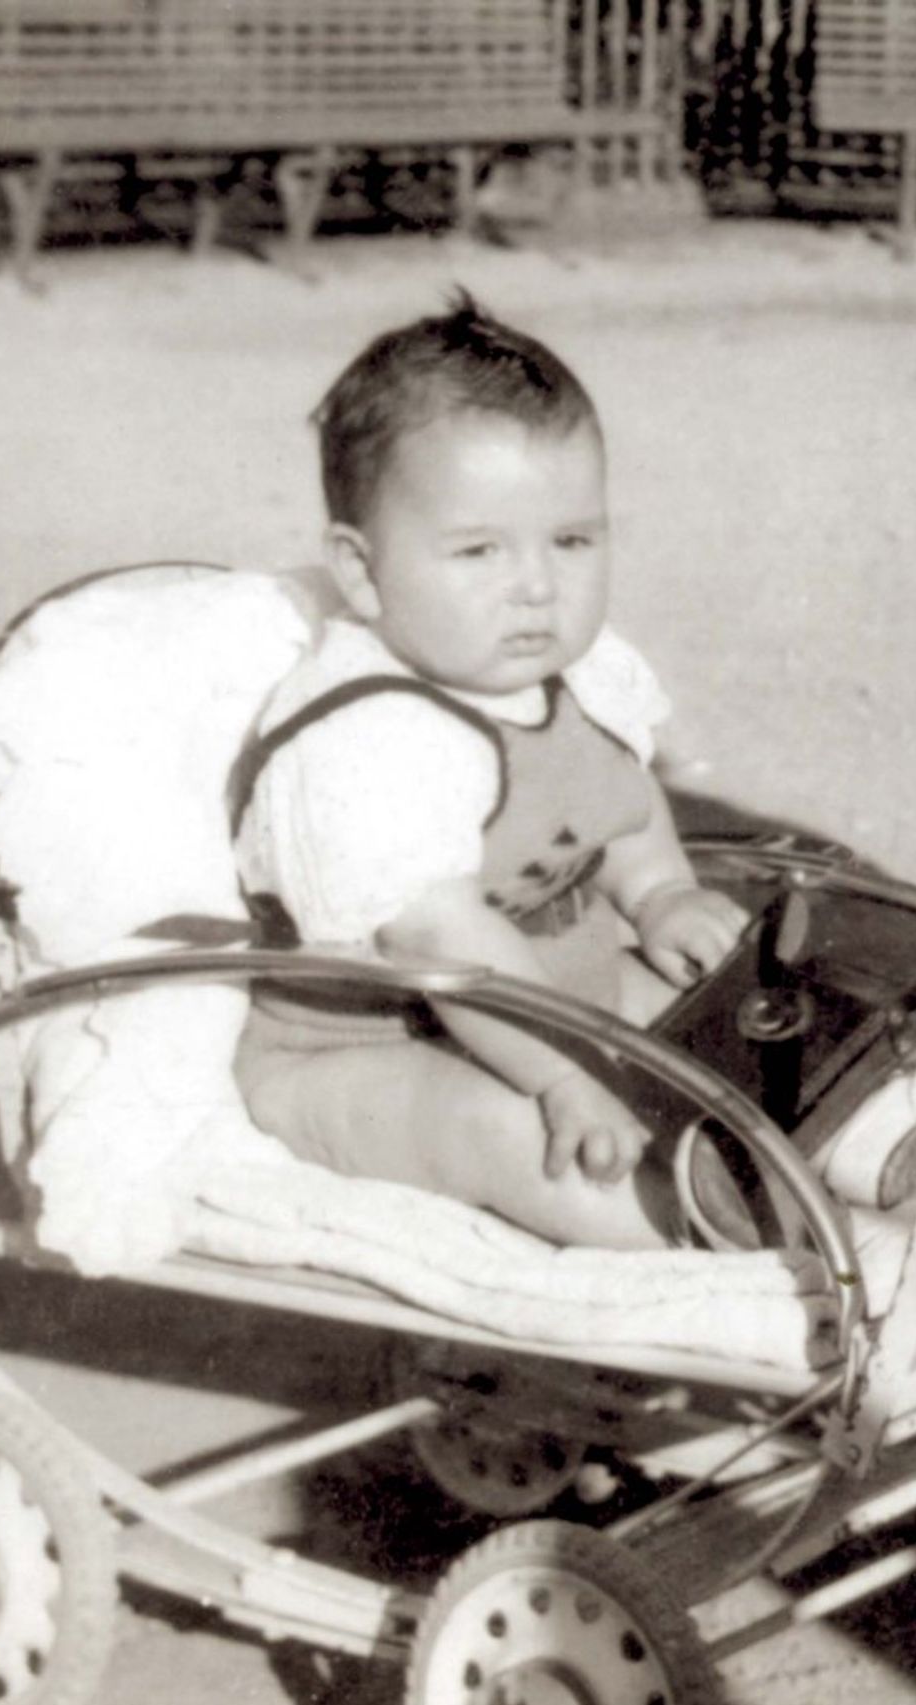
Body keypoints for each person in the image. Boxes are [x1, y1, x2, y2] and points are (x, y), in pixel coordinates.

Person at [232, 294, 750, 1250]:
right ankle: (708, 1239)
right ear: (359, 568)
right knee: (499, 1133)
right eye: (477, 551)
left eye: (572, 541)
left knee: (739, 1029)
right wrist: (563, 1077)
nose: (537, 588)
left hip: (559, 993)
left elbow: (622, 806)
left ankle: (858, 1150)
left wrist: (663, 894)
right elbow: (444, 939)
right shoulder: (369, 732)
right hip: (368, 1043)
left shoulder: (581, 673)